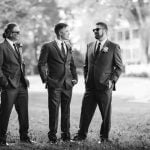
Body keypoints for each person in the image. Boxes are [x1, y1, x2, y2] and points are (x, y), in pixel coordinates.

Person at [73, 22, 123, 143]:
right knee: (85, 112)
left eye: (97, 29)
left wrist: (112, 80)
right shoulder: (89, 45)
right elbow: (86, 65)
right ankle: (81, 135)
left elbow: (119, 66)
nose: (94, 31)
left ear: (104, 30)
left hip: (105, 86)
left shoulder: (113, 46)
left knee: (105, 114)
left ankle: (104, 138)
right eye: (93, 30)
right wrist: (86, 78)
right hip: (90, 86)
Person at [38, 23, 78, 143]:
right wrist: (46, 80)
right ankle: (52, 138)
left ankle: (66, 137)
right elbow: (41, 64)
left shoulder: (68, 45)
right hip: (54, 84)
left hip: (68, 84)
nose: (69, 33)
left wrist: (75, 77)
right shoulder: (48, 46)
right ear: (60, 33)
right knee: (54, 110)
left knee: (66, 111)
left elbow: (71, 64)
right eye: (67, 31)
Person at [0, 23, 33, 146]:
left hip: (22, 85)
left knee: (24, 113)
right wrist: (5, 83)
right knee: (5, 113)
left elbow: (20, 65)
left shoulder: (18, 46)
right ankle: (1, 139)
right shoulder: (2, 47)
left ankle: (24, 137)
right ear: (9, 33)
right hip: (9, 87)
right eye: (16, 32)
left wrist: (25, 78)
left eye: (19, 32)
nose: (19, 34)